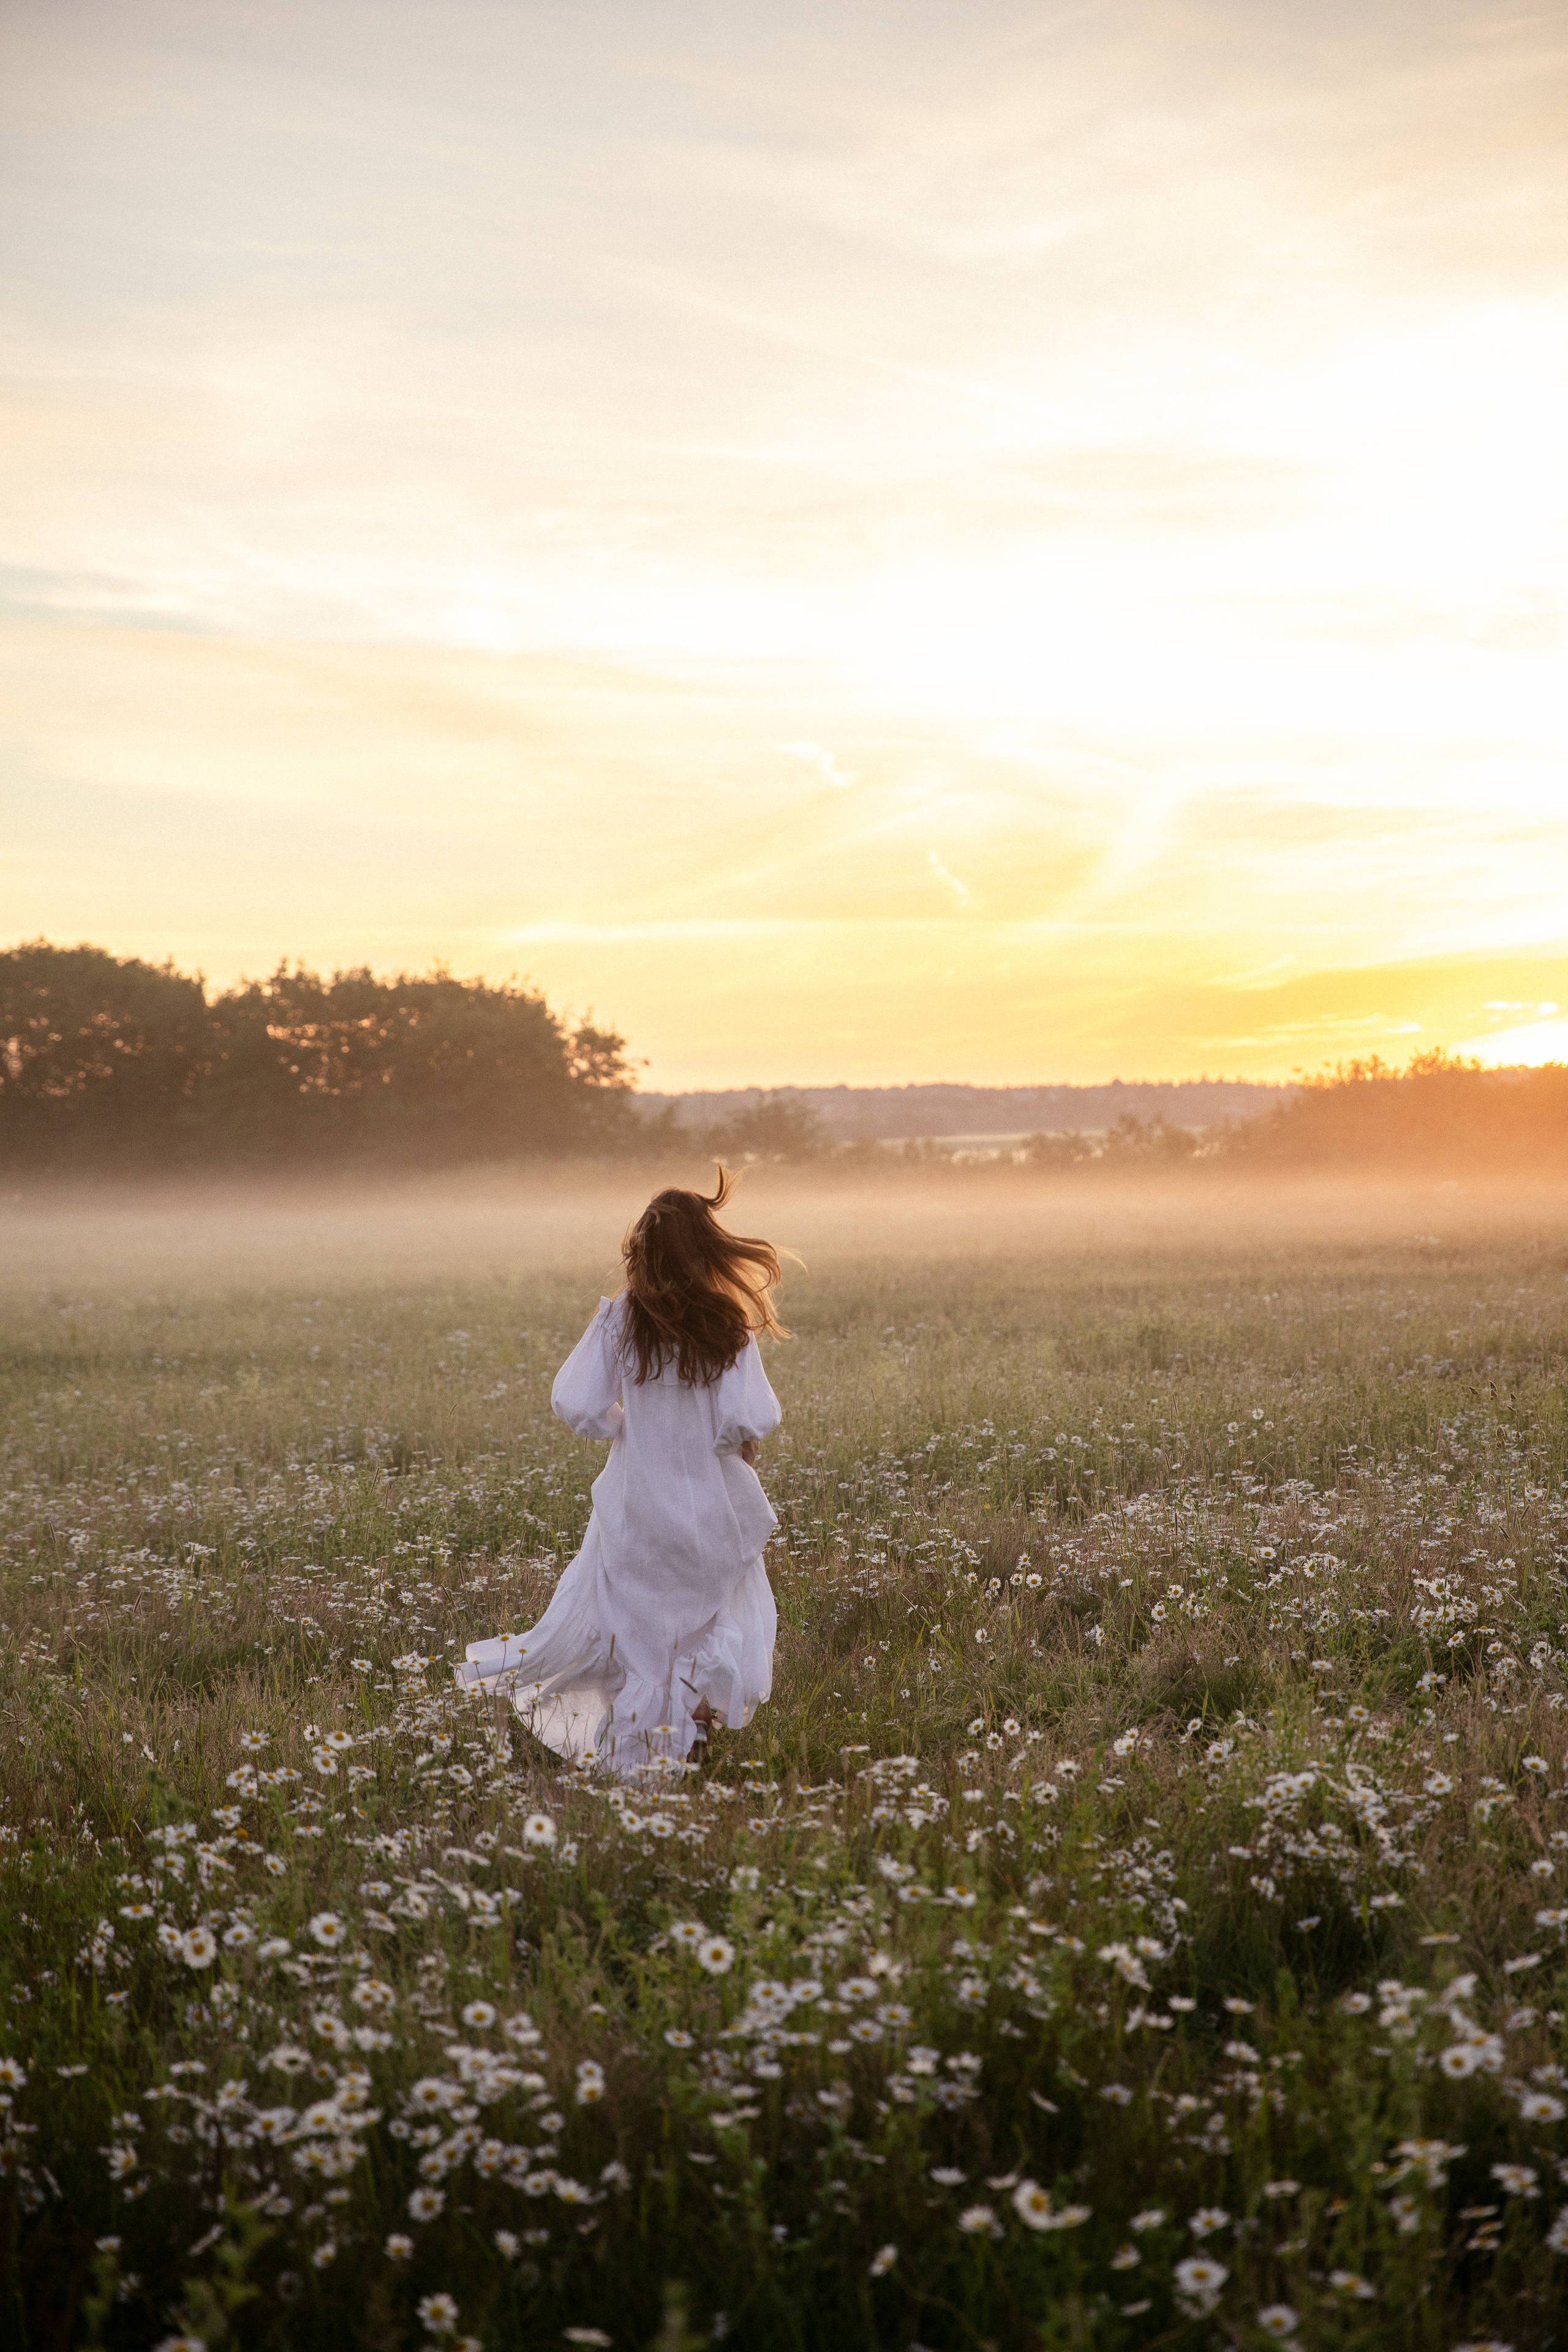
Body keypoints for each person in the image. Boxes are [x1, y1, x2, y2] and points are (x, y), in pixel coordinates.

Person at [455, 1172, 786, 1776]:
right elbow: (746, 1421)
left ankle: (640, 1755)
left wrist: (625, 1428)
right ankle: (685, 1742)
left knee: (639, 1634)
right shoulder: (727, 1322)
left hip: (638, 1502)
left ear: (645, 1248)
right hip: (713, 1503)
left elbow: (575, 1401)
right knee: (709, 1624)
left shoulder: (623, 1320)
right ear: (707, 1247)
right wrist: (726, 1449)